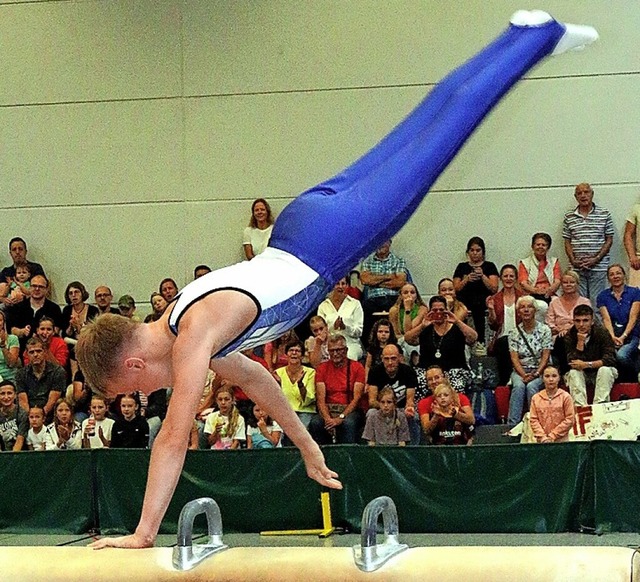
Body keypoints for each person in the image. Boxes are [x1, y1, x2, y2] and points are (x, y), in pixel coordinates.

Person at [76, 11, 598, 548]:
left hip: (330, 240)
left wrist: (142, 534)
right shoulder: (192, 326)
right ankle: (521, 34)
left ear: (134, 363)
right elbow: (257, 383)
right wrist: (307, 446)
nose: (145, 393)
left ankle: (535, 39)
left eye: (132, 387)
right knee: (420, 130)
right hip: (305, 224)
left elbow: (172, 439)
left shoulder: (191, 337)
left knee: (441, 136)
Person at [562, 182, 614, 306]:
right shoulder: (569, 216)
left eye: (586, 192)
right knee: (580, 305)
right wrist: (573, 260)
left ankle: (598, 326)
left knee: (597, 305)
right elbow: (567, 241)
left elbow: (609, 239)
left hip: (598, 267)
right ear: (576, 197)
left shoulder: (604, 213)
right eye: (579, 193)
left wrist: (596, 259)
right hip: (577, 269)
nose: (583, 195)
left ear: (592, 194)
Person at [405, 295, 478, 383]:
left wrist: (457, 321)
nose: (438, 313)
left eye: (441, 310)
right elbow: (408, 339)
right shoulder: (425, 328)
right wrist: (422, 326)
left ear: (446, 310)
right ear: (430, 311)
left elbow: (473, 338)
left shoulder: (457, 327)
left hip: (454, 372)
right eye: (435, 310)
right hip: (428, 372)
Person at [308, 334, 365, 445]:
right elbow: (320, 398)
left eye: (339, 350)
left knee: (348, 423)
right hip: (328, 409)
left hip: (349, 409)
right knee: (316, 423)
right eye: (332, 351)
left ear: (346, 350)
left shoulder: (357, 367)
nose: (335, 354)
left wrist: (341, 418)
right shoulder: (322, 368)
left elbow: (357, 398)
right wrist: (327, 418)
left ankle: (348, 456)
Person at [506, 296, 552, 426]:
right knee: (519, 386)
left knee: (532, 386)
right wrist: (523, 374)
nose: (526, 310)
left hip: (541, 370)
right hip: (521, 371)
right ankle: (512, 425)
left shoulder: (545, 330)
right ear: (519, 312)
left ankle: (536, 423)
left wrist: (536, 374)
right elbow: (514, 358)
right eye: (522, 307)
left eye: (529, 307)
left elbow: (546, 355)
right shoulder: (514, 333)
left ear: (535, 310)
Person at [564, 304, 618, 406]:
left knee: (605, 370)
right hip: (582, 374)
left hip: (600, 372)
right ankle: (580, 409)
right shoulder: (570, 335)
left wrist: (587, 364)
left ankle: (600, 407)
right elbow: (572, 361)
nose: (581, 324)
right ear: (573, 321)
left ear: (592, 321)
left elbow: (610, 359)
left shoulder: (602, 332)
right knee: (574, 372)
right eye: (578, 321)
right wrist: (580, 342)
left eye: (585, 320)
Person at [366, 343, 419, 444]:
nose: (390, 362)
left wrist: (406, 409)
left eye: (393, 358)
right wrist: (387, 407)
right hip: (381, 408)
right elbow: (372, 401)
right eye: (386, 359)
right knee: (370, 413)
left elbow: (410, 400)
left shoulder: (408, 371)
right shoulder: (375, 372)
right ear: (382, 358)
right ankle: (373, 449)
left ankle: (413, 450)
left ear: (400, 357)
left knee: (414, 416)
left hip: (401, 409)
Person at [596, 264, 640, 382]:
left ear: (624, 275)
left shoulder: (635, 292)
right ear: (608, 278)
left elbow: (633, 317)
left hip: (632, 335)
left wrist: (623, 336)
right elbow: (606, 319)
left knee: (622, 356)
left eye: (618, 273)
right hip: (612, 336)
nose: (615, 276)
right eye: (612, 274)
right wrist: (612, 337)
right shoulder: (602, 296)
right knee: (612, 358)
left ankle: (636, 376)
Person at [453, 236, 499, 343]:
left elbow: (494, 289)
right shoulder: (461, 267)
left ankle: (480, 341)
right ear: (468, 252)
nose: (475, 253)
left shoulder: (489, 266)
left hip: (483, 299)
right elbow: (456, 288)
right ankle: (460, 340)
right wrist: (467, 279)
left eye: (478, 250)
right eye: (472, 250)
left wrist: (482, 276)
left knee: (478, 304)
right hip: (464, 298)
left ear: (483, 252)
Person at [360, 240, 408, 343]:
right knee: (363, 308)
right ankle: (368, 344)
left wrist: (375, 281)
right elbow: (365, 280)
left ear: (389, 243)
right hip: (373, 299)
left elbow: (400, 282)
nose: (381, 244)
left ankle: (397, 343)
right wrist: (388, 277)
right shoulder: (367, 261)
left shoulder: (399, 260)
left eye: (384, 241)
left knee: (401, 308)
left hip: (393, 297)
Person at [545, 270, 591, 373]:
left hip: (580, 335)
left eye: (572, 282)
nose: (568, 285)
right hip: (558, 337)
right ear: (561, 285)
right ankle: (566, 372)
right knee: (562, 339)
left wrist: (569, 330)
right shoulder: (554, 302)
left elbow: (588, 322)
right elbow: (549, 323)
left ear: (577, 284)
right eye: (565, 282)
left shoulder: (585, 302)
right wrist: (560, 330)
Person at [6, 274, 63, 354]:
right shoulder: (18, 307)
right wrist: (21, 332)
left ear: (46, 289)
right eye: (34, 286)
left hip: (45, 351)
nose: (37, 289)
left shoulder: (54, 309)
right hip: (20, 350)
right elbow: (11, 329)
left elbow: (56, 331)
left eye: (41, 287)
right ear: (29, 287)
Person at [486, 264, 523, 385]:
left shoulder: (523, 298)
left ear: (516, 278)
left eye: (511, 276)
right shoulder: (495, 298)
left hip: (521, 338)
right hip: (502, 339)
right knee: (503, 343)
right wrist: (491, 310)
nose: (508, 278)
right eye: (505, 276)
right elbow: (493, 325)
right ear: (501, 278)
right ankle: (505, 384)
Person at [16, 337, 66, 422]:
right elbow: (23, 402)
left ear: (44, 352)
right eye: (31, 352)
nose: (35, 354)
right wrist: (32, 418)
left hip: (51, 414)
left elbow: (53, 400)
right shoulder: (21, 374)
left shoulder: (58, 371)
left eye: (39, 351)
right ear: (27, 354)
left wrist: (40, 417)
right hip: (29, 415)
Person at [274, 340, 316, 435]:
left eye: (297, 351)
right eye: (291, 350)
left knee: (301, 434)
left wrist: (300, 385)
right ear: (286, 354)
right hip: (285, 412)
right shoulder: (278, 373)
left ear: (302, 355)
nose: (294, 353)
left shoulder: (310, 372)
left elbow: (309, 400)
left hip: (304, 411)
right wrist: (278, 386)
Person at [317, 276, 364, 361]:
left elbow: (359, 332)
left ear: (347, 286)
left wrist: (345, 327)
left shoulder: (355, 304)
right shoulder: (323, 306)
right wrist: (332, 327)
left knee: (348, 357)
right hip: (329, 344)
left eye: (343, 284)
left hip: (350, 343)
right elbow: (319, 330)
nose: (340, 286)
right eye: (337, 284)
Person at [61, 281, 99, 378]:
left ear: (82, 293)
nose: (74, 295)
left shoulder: (93, 310)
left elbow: (93, 331)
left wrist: (79, 327)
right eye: (71, 293)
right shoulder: (66, 310)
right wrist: (71, 325)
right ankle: (74, 379)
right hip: (72, 343)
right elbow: (65, 334)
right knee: (71, 350)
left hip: (88, 342)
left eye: (76, 292)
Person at [529, 364, 575, 443]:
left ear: (559, 378)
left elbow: (570, 419)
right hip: (541, 442)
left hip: (562, 442)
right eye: (547, 376)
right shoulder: (536, 398)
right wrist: (543, 438)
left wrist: (552, 436)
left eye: (554, 376)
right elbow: (533, 420)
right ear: (542, 379)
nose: (551, 379)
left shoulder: (566, 397)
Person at [388, 283, 427, 363]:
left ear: (416, 295)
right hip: (400, 341)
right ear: (401, 296)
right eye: (405, 293)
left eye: (412, 292)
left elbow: (409, 331)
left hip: (417, 341)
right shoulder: (394, 310)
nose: (409, 295)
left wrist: (407, 309)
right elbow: (395, 333)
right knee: (403, 350)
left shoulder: (422, 309)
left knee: (413, 349)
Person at [518, 232, 562, 303]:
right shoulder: (524, 263)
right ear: (532, 246)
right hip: (531, 295)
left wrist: (548, 290)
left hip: (550, 294)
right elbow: (523, 283)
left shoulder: (554, 261)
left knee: (557, 303)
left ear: (548, 247)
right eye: (538, 244)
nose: (540, 247)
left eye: (544, 245)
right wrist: (536, 291)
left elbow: (557, 281)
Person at [0, 237, 45, 306]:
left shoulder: (36, 268)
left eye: (20, 249)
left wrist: (25, 297)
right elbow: (1, 294)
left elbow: (43, 289)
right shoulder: (6, 272)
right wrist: (4, 300)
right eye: (14, 250)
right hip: (10, 308)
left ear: (25, 252)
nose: (17, 252)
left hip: (32, 305)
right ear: (10, 253)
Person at [203, 385, 246, 450]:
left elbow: (236, 442)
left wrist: (226, 455)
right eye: (220, 399)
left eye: (226, 399)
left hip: (232, 454)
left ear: (232, 400)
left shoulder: (239, 419)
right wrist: (216, 432)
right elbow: (210, 442)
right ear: (216, 401)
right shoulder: (211, 417)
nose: (223, 402)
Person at [0, 380, 28, 451]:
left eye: (9, 393)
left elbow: (20, 441)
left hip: (20, 455)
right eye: (2, 393)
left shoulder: (22, 414)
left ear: (15, 395)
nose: (6, 397)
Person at [0, 310, 20, 383]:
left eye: (0, 320)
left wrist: (3, 346)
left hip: (9, 379)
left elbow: (11, 363)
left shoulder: (13, 339)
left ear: (4, 323)